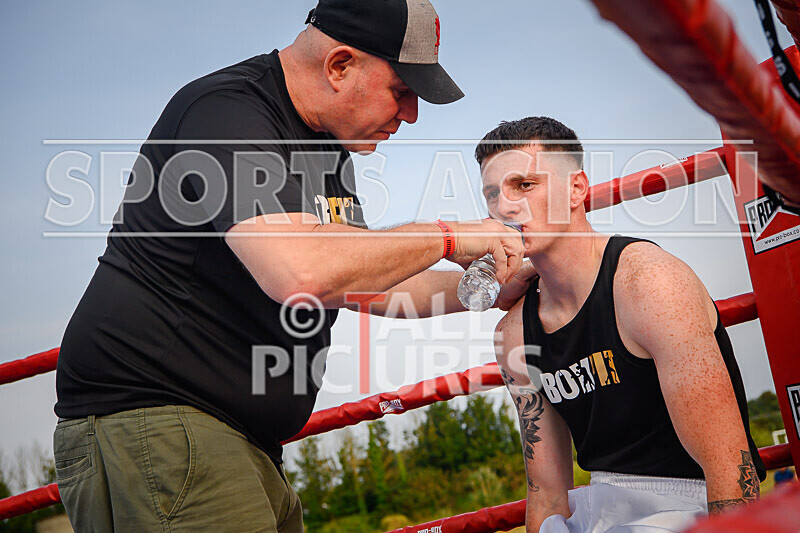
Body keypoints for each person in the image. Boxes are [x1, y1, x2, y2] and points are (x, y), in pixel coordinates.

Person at [52, 1, 530, 531]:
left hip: (234, 437)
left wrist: (489, 289)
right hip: (158, 419)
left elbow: (363, 285)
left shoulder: (330, 150)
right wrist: (448, 235)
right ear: (340, 65)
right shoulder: (226, 111)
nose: (412, 113)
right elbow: (300, 273)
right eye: (402, 90)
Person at [477, 116, 766, 532]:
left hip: (688, 505)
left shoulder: (647, 282)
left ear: (576, 189)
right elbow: (547, 493)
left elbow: (729, 465)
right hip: (596, 511)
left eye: (525, 185)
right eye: (492, 193)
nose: (505, 206)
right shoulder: (514, 333)